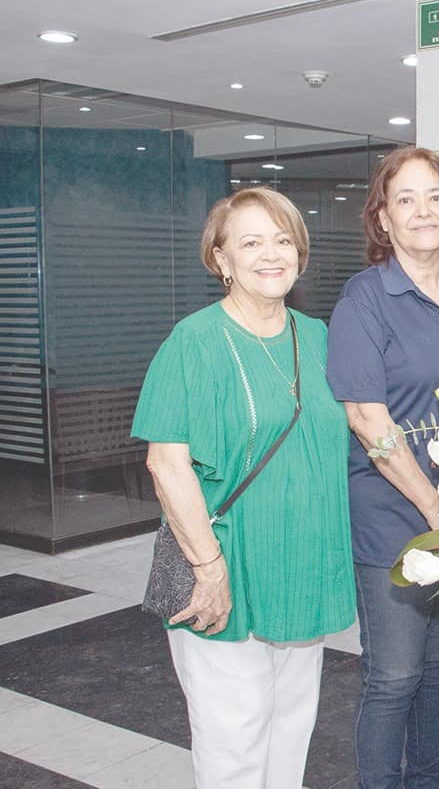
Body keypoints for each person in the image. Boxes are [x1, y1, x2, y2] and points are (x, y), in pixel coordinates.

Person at [132, 188, 356, 789]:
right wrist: (208, 568)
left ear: (301, 255)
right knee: (233, 742)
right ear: (221, 260)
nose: (271, 254)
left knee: (291, 729)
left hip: (302, 568)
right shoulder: (194, 342)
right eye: (251, 242)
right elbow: (166, 464)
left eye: (283, 240)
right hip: (227, 566)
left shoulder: (319, 337)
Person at [325, 146, 439, 789]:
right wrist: (434, 507)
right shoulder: (366, 296)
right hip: (395, 515)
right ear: (383, 219)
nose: (423, 210)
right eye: (405, 198)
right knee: (395, 672)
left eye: (436, 196)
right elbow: (368, 419)